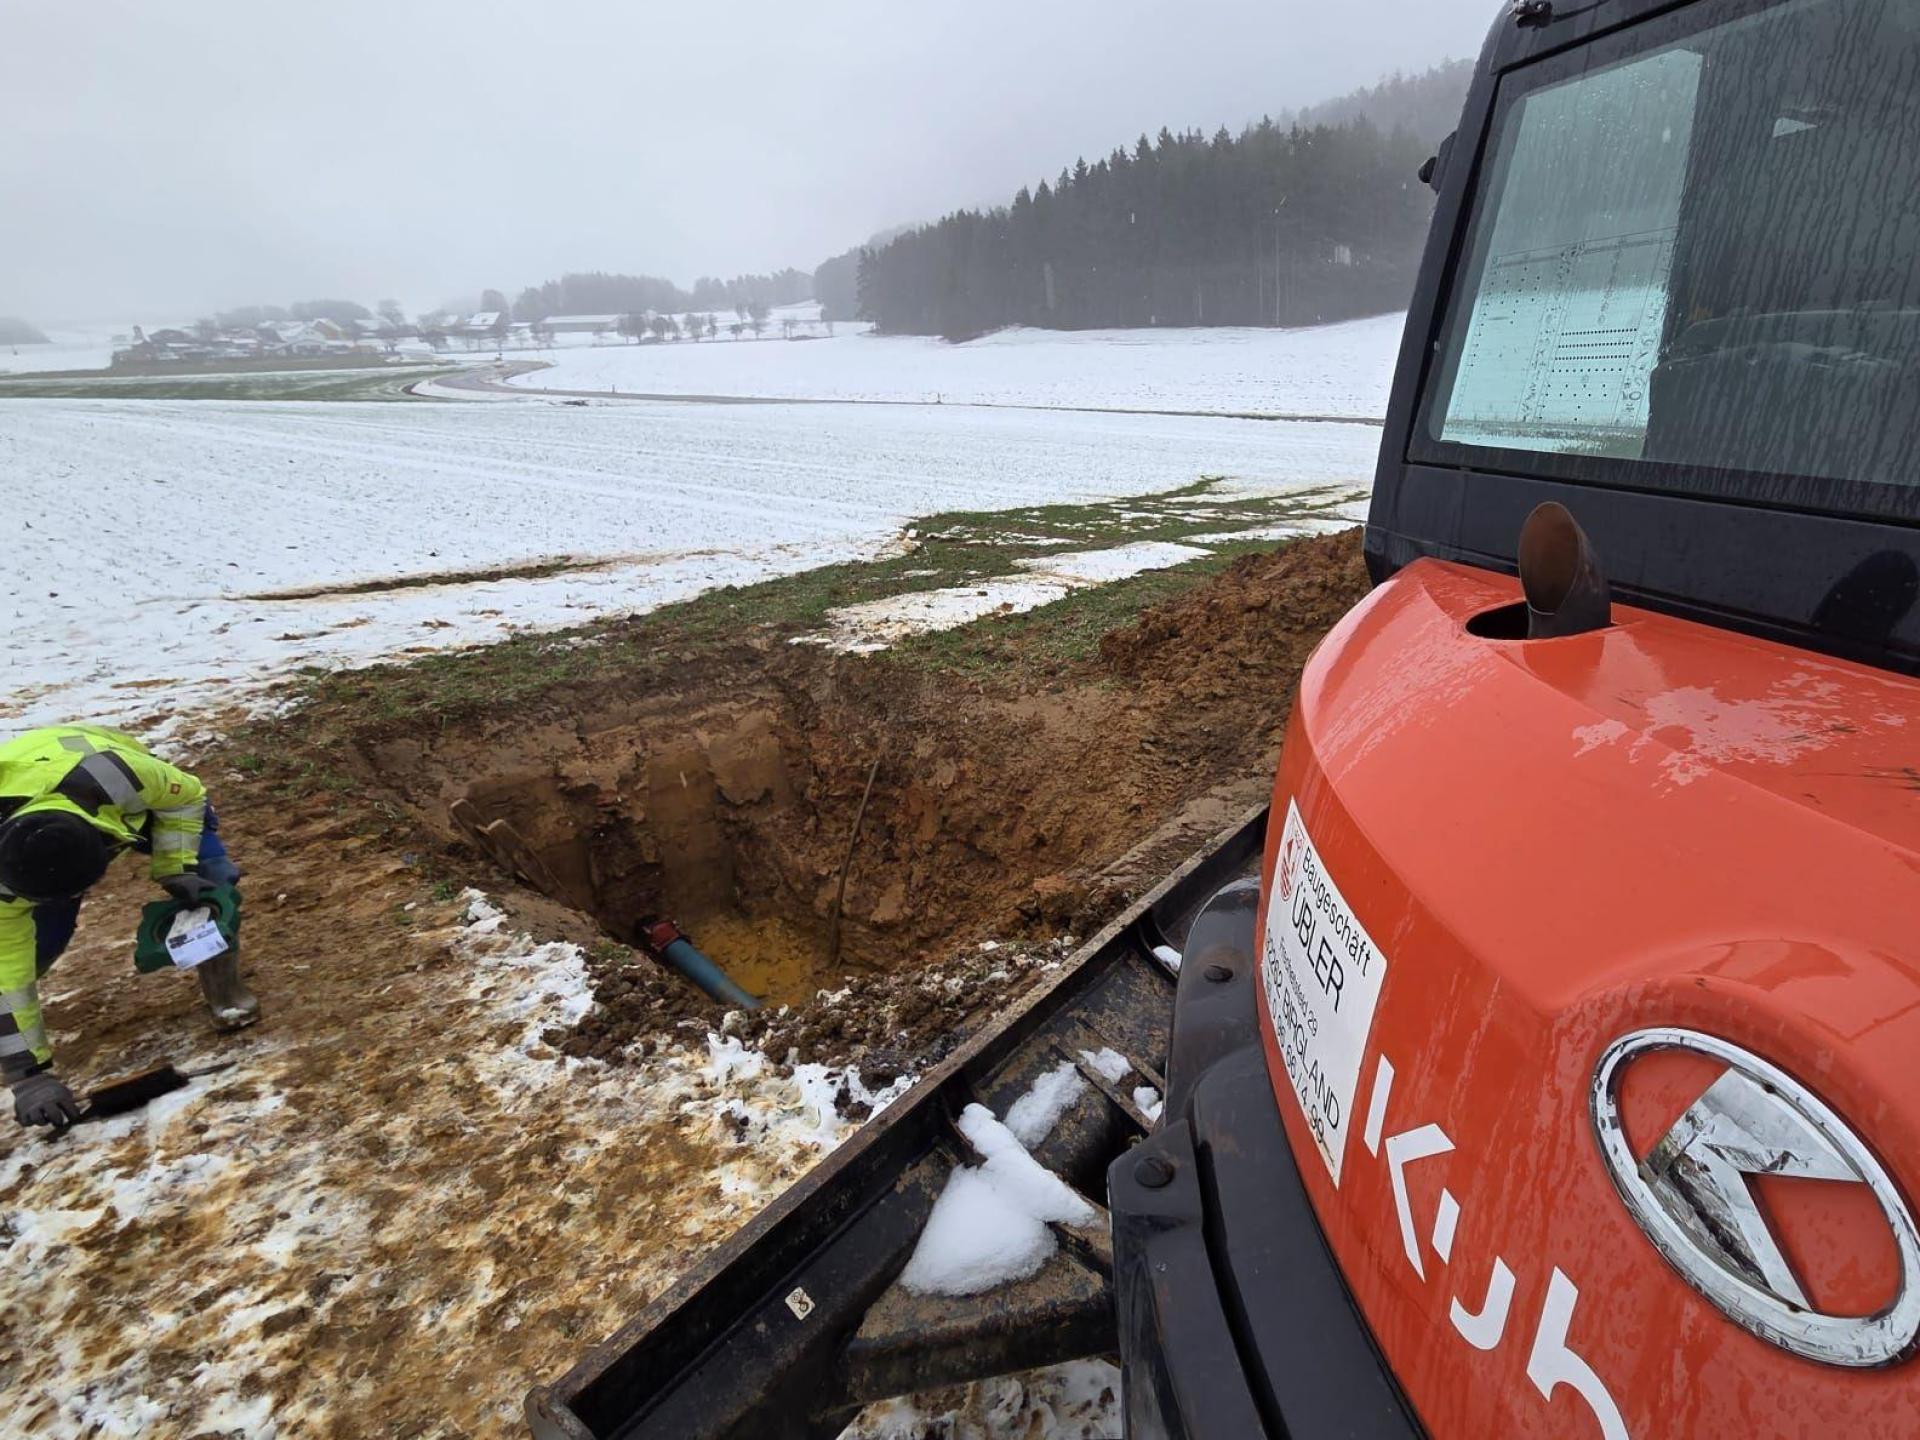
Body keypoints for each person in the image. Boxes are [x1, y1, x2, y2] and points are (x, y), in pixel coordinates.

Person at [0, 723, 259, 1130]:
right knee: (39, 945)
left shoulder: (116, 776)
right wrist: (28, 1076)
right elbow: (5, 975)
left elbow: (186, 795)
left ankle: (226, 993)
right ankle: (15, 1031)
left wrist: (176, 868)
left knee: (212, 878)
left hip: (126, 793)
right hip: (38, 820)